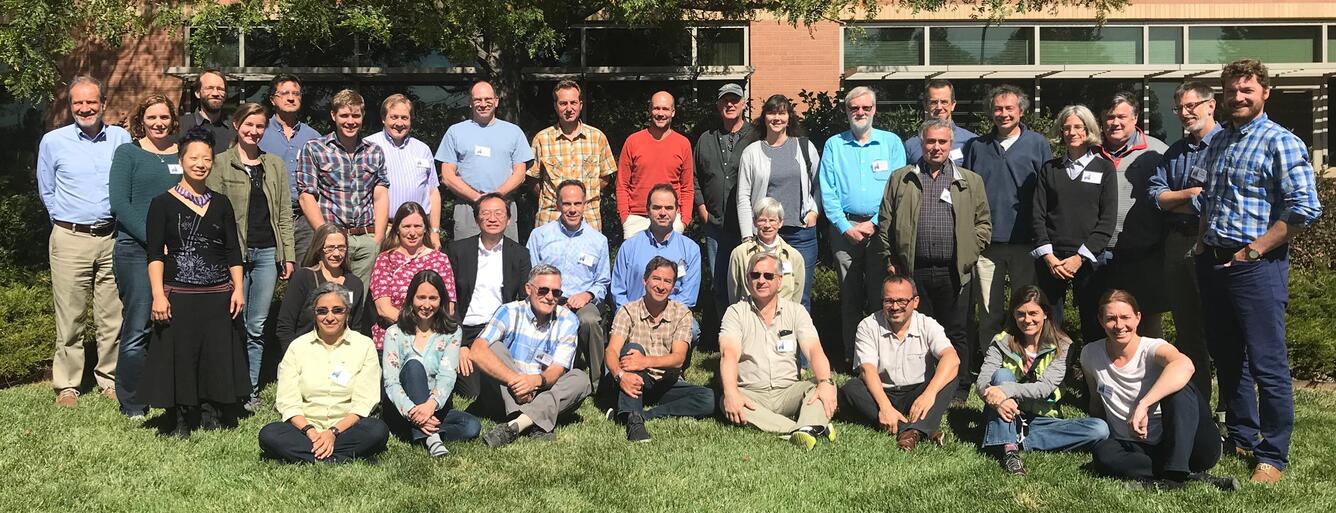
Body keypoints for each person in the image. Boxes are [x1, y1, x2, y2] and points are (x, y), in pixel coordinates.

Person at [1194, 59, 1323, 484]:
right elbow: (1206, 199)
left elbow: (1304, 208)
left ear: (1266, 92)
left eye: (1247, 90)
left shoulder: (1280, 142)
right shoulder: (1217, 142)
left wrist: (1254, 251)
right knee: (1229, 358)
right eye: (1231, 91)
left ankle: (1273, 455)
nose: (1238, 97)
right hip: (1213, 262)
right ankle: (1242, 435)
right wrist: (1201, 242)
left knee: (1267, 362)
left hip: (1256, 267)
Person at [875, 119, 991, 402]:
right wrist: (890, 257)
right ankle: (921, 384)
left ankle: (959, 387)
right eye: (930, 142)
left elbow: (983, 224)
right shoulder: (902, 178)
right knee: (918, 330)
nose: (936, 147)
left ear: (951, 145)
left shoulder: (969, 181)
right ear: (921, 144)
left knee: (956, 330)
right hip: (914, 270)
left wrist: (968, 252)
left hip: (954, 271)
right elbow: (886, 220)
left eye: (942, 142)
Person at [142, 127, 248, 438]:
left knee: (214, 354)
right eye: (194, 157)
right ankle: (179, 418)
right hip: (179, 293)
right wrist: (158, 295)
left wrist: (238, 288)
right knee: (181, 356)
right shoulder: (162, 203)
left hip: (217, 293)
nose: (200, 163)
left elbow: (232, 250)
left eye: (206, 158)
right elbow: (154, 253)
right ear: (182, 159)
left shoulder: (221, 203)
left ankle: (210, 410)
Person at [38, 74, 130, 407]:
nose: (85, 107)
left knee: (112, 315)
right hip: (69, 238)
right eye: (79, 102)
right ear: (70, 105)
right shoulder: (53, 141)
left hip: (112, 237)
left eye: (92, 101)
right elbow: (46, 189)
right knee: (70, 315)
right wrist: (64, 221)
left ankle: (109, 378)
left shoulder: (120, 138)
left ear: (103, 104)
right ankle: (67, 385)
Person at [1085, 290, 1238, 491]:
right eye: (1111, 319)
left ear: (1138, 317)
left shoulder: (1152, 348)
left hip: (1190, 443)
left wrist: (1144, 404)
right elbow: (1096, 402)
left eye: (1125, 317)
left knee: (1180, 388)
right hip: (1141, 446)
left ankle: (1174, 476)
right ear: (1101, 320)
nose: (1119, 325)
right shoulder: (1090, 354)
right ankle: (1186, 475)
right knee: (1103, 453)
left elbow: (1185, 365)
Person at [206, 102, 297, 412]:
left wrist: (288, 254)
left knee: (256, 326)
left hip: (267, 253)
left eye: (260, 126)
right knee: (233, 322)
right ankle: (228, 387)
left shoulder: (274, 165)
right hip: (234, 256)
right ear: (236, 125)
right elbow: (213, 212)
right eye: (249, 125)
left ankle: (251, 391)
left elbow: (284, 212)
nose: (254, 131)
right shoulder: (220, 164)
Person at [976, 285, 1108, 475]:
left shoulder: (1063, 345)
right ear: (1013, 315)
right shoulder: (1002, 340)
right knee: (1002, 375)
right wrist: (998, 403)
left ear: (1045, 313)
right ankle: (1010, 451)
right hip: (1006, 412)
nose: (1027, 320)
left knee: (1099, 429)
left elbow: (1045, 388)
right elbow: (982, 381)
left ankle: (1010, 438)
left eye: (1033, 313)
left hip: (1043, 418)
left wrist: (1005, 391)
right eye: (1020, 314)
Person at [819, 86, 907, 367]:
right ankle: (854, 357)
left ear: (874, 110)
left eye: (865, 108)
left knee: (883, 295)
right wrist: (846, 226)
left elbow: (898, 189)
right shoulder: (834, 144)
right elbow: (827, 190)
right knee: (850, 296)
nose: (860, 113)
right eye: (854, 108)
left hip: (881, 229)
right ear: (846, 111)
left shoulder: (891, 143)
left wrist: (874, 223)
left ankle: (884, 356)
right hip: (844, 229)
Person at [963, 85, 1050, 362]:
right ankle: (991, 362)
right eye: (998, 109)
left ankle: (1025, 359)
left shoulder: (1037, 144)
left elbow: (1048, 190)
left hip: (1026, 242)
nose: (1003, 114)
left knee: (1025, 308)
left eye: (1009, 108)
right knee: (989, 308)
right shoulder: (977, 147)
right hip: (987, 243)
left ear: (1021, 111)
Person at [1145, 81, 1220, 403]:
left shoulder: (1227, 146)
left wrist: (1174, 199)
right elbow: (1154, 196)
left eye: (1191, 106)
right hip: (1177, 244)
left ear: (1211, 105)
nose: (1185, 114)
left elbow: (1216, 200)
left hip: (1213, 242)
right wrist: (1189, 194)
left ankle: (1231, 410)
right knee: (1188, 331)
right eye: (1180, 109)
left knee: (1222, 328)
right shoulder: (1174, 152)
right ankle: (1200, 403)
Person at [109, 93, 182, 419]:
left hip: (177, 254)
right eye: (152, 117)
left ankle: (167, 393)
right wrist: (154, 240)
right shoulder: (128, 153)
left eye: (164, 117)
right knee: (138, 327)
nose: (158, 123)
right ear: (142, 119)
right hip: (136, 251)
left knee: (172, 327)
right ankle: (133, 402)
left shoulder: (182, 153)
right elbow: (120, 204)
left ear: (172, 119)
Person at [719, 252, 837, 450]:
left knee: (822, 387)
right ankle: (806, 428)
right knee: (726, 400)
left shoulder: (796, 311)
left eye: (768, 276)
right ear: (748, 279)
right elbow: (728, 354)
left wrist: (825, 382)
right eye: (755, 275)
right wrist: (731, 392)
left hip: (788, 390)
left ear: (779, 280)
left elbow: (814, 350)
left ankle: (804, 427)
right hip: (751, 393)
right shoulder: (735, 312)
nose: (761, 281)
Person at [259, 283, 388, 464]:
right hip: (304, 429)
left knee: (378, 430)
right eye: (322, 311)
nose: (330, 317)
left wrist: (332, 432)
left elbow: (364, 402)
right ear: (314, 314)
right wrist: (312, 432)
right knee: (269, 434)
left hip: (346, 428)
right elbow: (288, 401)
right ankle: (341, 457)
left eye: (337, 310)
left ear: (347, 313)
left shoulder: (364, 345)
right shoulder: (298, 347)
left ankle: (306, 456)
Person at [470, 265, 592, 448]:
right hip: (508, 392)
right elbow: (477, 351)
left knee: (581, 379)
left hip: (542, 388)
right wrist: (517, 382)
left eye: (556, 293)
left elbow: (557, 369)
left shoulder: (568, 320)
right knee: (493, 347)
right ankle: (538, 419)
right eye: (543, 290)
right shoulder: (508, 311)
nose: (550, 297)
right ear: (528, 289)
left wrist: (536, 382)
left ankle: (518, 424)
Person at [839, 275, 959, 451]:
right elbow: (867, 370)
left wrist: (929, 394)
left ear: (915, 301)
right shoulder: (868, 326)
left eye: (902, 301)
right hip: (881, 391)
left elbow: (952, 358)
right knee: (851, 388)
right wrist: (885, 407)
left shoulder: (927, 324)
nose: (895, 307)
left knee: (949, 378)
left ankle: (910, 428)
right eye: (889, 301)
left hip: (917, 392)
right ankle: (917, 430)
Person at [604, 257, 715, 442]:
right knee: (632, 349)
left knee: (708, 398)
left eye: (667, 281)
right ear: (645, 280)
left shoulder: (682, 313)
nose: (661, 286)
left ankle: (646, 414)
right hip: (635, 378)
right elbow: (612, 351)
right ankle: (635, 423)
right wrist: (620, 376)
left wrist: (645, 361)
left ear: (672, 287)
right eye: (656, 279)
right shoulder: (627, 311)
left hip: (666, 380)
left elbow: (679, 358)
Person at [1031, 105, 1117, 343]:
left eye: (1078, 126)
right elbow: (1037, 214)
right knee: (1049, 322)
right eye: (1066, 127)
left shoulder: (1105, 168)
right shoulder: (1050, 169)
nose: (1071, 132)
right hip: (1053, 260)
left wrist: (1080, 258)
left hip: (1088, 260)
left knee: (1093, 320)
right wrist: (1049, 257)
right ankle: (1053, 375)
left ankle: (1091, 375)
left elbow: (1107, 220)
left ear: (1088, 129)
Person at [1091, 92, 1169, 338]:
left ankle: (1153, 375)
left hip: (1143, 253)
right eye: (1109, 117)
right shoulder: (1088, 152)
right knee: (1102, 320)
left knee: (1146, 322)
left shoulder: (1157, 153)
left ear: (1135, 118)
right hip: (1099, 255)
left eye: (1122, 116)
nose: (1115, 122)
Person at [295, 88, 390, 288]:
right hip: (332, 240)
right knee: (328, 297)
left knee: (358, 301)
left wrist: (378, 237)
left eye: (356, 115)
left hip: (366, 239)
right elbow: (306, 197)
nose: (350, 121)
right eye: (344, 115)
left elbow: (380, 194)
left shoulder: (374, 151)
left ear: (362, 116)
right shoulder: (315, 148)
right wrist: (325, 236)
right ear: (333, 115)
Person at [381, 270, 481, 457]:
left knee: (471, 426)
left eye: (433, 298)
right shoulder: (394, 332)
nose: (426, 305)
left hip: (434, 406)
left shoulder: (452, 332)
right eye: (421, 297)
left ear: (441, 300)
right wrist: (412, 410)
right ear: (411, 298)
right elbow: (391, 380)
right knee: (413, 365)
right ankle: (433, 439)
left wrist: (429, 407)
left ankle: (417, 431)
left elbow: (447, 375)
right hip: (402, 408)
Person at [737, 94, 820, 309]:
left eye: (782, 113)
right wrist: (748, 236)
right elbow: (743, 197)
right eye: (772, 112)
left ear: (789, 117)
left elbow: (820, 184)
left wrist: (814, 212)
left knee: (799, 296)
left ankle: (797, 342)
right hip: (765, 233)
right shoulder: (751, 152)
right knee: (761, 293)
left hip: (801, 233)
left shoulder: (804, 147)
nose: (777, 118)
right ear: (764, 117)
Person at [526, 181, 610, 392]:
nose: (572, 209)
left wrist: (588, 295)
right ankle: (540, 376)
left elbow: (602, 281)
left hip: (582, 300)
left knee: (590, 320)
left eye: (577, 203)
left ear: (585, 205)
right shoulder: (540, 236)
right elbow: (531, 276)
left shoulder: (598, 240)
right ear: (558, 204)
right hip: (547, 298)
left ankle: (600, 385)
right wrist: (547, 298)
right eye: (567, 204)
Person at [448, 193, 532, 398]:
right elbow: (448, 301)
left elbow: (523, 302)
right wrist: (458, 344)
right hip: (465, 330)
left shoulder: (520, 254)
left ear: (509, 219)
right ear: (477, 219)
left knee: (496, 386)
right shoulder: (458, 250)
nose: (492, 218)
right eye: (486, 213)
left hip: (499, 333)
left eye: (499, 213)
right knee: (472, 392)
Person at [695, 83, 761, 336]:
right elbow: (695, 178)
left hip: (748, 227)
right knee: (720, 285)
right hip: (715, 226)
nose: (730, 105)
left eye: (735, 100)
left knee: (750, 283)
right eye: (725, 101)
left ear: (744, 104)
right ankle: (728, 336)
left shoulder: (756, 136)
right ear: (718, 106)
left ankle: (751, 336)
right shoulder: (706, 139)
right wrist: (701, 208)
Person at [436, 80, 533, 240]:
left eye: (488, 99)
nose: (483, 104)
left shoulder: (513, 132)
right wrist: (477, 198)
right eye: (478, 100)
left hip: (504, 205)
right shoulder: (455, 132)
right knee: (467, 259)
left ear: (496, 101)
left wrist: (496, 196)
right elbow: (447, 176)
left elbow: (520, 174)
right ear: (470, 102)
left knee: (507, 260)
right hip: (468, 206)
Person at [612, 184, 702, 347]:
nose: (663, 213)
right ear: (648, 210)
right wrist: (629, 317)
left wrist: (666, 317)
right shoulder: (629, 247)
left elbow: (688, 297)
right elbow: (618, 291)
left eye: (668, 208)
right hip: (634, 315)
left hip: (673, 316)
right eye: (657, 207)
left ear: (676, 211)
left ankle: (677, 368)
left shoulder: (690, 249)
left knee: (693, 329)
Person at [527, 80, 617, 230]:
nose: (569, 108)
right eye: (563, 103)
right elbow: (533, 179)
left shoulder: (597, 138)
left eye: (573, 103)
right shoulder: (541, 139)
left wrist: (581, 200)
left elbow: (604, 177)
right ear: (556, 106)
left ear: (580, 105)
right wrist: (556, 200)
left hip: (588, 219)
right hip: (551, 219)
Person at [369, 202, 457, 349]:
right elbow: (383, 308)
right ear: (397, 229)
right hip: (393, 336)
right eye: (406, 226)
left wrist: (426, 333)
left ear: (425, 229)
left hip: (432, 339)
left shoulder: (440, 259)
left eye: (417, 226)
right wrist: (416, 329)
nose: (412, 232)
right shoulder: (385, 259)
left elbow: (449, 307)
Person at [364, 94, 442, 248]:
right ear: (383, 119)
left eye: (404, 118)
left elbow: (433, 192)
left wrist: (434, 231)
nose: (399, 123)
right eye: (394, 117)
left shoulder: (422, 149)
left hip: (418, 232)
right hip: (382, 230)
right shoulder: (369, 146)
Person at [258, 73, 322, 260]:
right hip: (269, 217)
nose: (291, 98)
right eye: (285, 93)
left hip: (305, 218)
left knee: (305, 275)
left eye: (296, 93)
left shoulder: (314, 137)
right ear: (273, 99)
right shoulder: (260, 132)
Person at [275, 224, 366, 350]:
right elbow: (285, 326)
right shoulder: (303, 278)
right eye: (329, 248)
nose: (336, 253)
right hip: (305, 354)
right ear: (319, 249)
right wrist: (295, 357)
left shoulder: (355, 284)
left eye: (341, 248)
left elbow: (356, 328)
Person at [616, 91, 694, 237]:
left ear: (673, 112)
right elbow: (622, 185)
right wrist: (625, 218)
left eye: (665, 109)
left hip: (671, 219)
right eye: (656, 108)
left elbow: (687, 187)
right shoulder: (633, 142)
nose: (660, 113)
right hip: (636, 219)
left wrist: (684, 221)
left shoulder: (683, 144)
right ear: (650, 110)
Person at [726, 197, 805, 305]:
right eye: (762, 220)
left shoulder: (794, 257)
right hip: (749, 317)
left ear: (780, 223)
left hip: (784, 319)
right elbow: (734, 295)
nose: (767, 225)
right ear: (754, 222)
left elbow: (796, 298)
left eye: (772, 220)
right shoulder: (740, 254)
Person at [903, 80, 978, 165]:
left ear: (953, 105)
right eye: (934, 102)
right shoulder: (911, 145)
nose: (939, 107)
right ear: (925, 105)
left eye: (944, 102)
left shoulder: (971, 142)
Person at [176, 69, 234, 150]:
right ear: (197, 93)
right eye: (209, 88)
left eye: (220, 89)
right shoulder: (180, 127)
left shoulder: (235, 128)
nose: (215, 93)